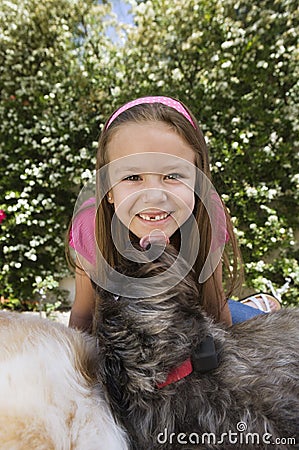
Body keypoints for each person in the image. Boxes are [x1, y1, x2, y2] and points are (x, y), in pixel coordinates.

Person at [66, 96, 281, 332]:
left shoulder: (209, 215)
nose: (154, 196)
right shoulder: (91, 222)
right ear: (108, 189)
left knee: (267, 331)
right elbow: (83, 316)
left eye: (173, 176)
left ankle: (260, 307)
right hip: (133, 326)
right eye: (132, 177)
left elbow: (213, 308)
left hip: (188, 318)